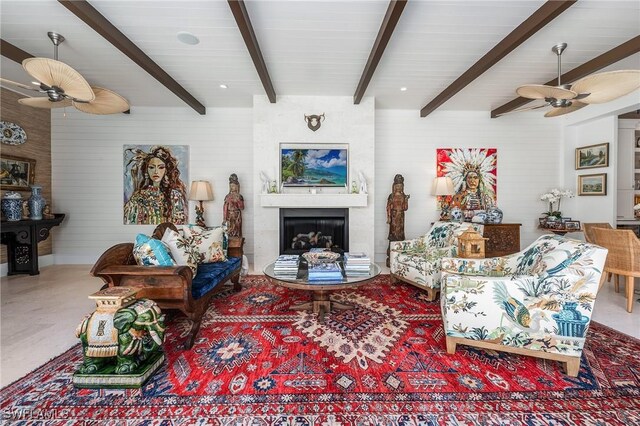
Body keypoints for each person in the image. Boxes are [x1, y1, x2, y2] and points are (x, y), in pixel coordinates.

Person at [123, 146, 187, 225]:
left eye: (161, 167)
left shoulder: (175, 195)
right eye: (152, 167)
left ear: (166, 170)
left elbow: (180, 224)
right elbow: (130, 222)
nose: (156, 171)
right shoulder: (138, 197)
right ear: (146, 170)